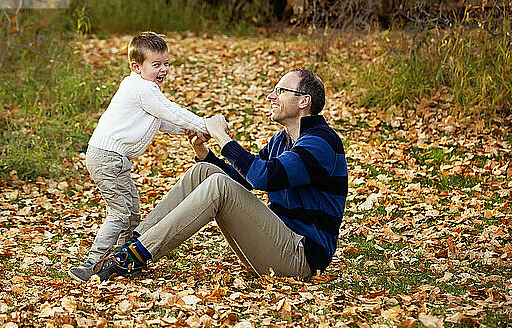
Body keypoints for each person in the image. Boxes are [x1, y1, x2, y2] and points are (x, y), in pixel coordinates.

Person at [91, 69, 347, 281]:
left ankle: (131, 259)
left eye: (280, 91)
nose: (271, 96)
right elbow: (243, 181)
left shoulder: (321, 142)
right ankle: (132, 244)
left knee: (219, 187)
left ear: (304, 101)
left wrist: (223, 137)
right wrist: (204, 152)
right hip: (277, 241)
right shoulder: (282, 140)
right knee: (205, 171)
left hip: (301, 255)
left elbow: (263, 177)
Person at [68, 32, 209, 282]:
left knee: (132, 212)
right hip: (106, 157)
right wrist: (206, 125)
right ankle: (92, 264)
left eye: (166, 63)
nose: (163, 69)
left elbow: (161, 121)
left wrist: (190, 130)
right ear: (137, 66)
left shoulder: (145, 89)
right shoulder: (141, 88)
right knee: (120, 212)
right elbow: (170, 111)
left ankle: (125, 260)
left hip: (116, 159)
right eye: (156, 65)